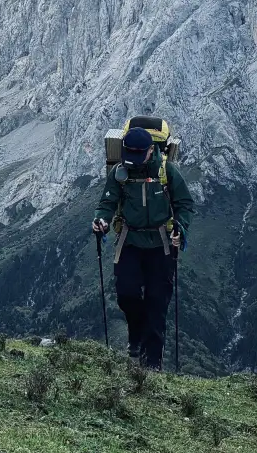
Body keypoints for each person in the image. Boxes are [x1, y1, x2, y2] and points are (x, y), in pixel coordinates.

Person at [92, 126, 194, 370]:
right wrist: (101, 220)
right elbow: (107, 202)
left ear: (151, 150)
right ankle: (135, 334)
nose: (134, 161)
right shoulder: (120, 172)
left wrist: (180, 228)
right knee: (126, 294)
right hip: (130, 241)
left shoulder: (167, 171)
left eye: (139, 156)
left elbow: (184, 204)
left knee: (157, 303)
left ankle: (152, 363)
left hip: (161, 244)